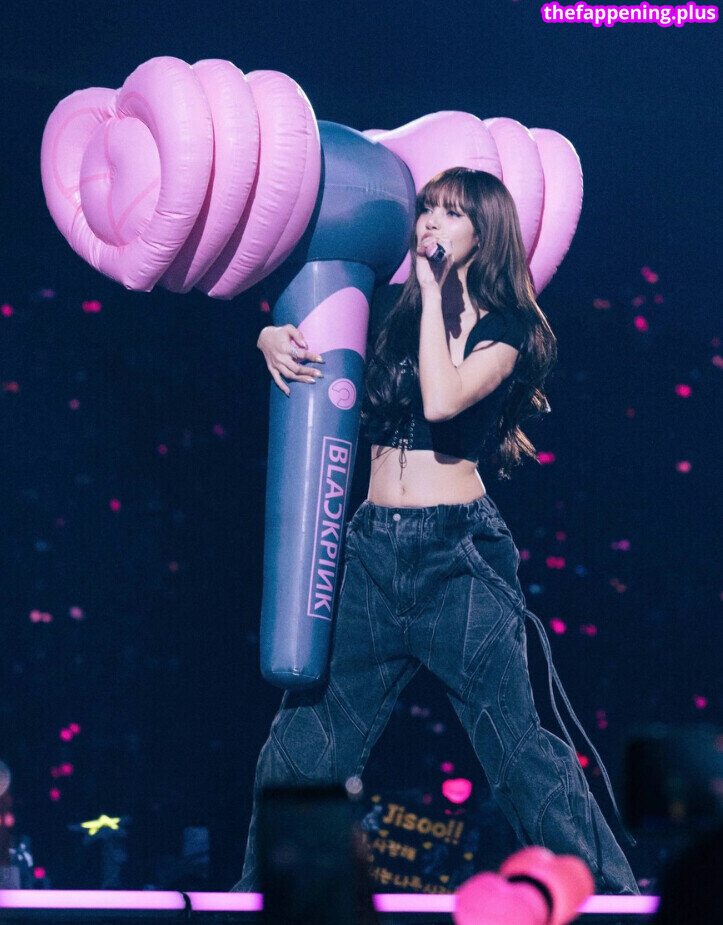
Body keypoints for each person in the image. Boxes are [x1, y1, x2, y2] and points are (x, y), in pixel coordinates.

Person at [235, 168, 639, 895]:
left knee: (519, 749)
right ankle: (262, 897)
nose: (429, 223)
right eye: (426, 208)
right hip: (369, 551)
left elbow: (444, 399)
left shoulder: (507, 327)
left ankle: (613, 898)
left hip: (457, 557)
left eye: (450, 213)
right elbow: (299, 316)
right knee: (303, 743)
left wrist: (429, 292)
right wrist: (268, 335)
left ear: (484, 232)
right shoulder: (385, 309)